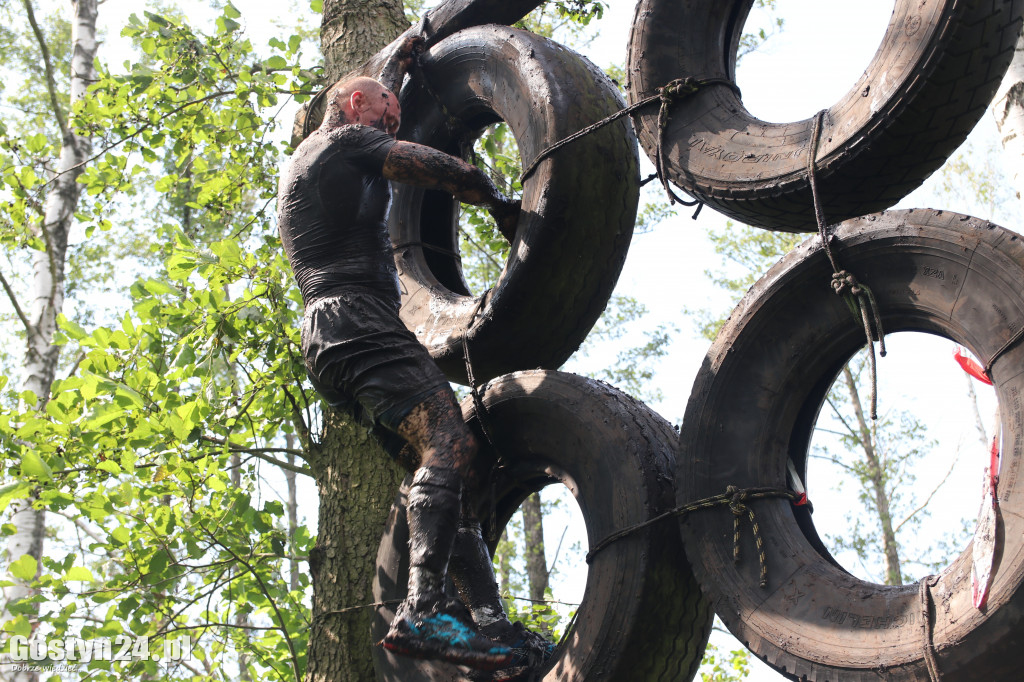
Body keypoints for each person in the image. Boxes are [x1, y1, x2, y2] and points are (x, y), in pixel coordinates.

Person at [277, 39, 553, 679]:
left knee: (444, 468)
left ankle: (487, 625)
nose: (392, 128)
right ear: (352, 106)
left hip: (330, 341)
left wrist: (397, 66)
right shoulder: (346, 144)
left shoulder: (317, 150)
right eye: (386, 117)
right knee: (451, 442)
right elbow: (435, 168)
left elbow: (373, 91)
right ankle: (423, 608)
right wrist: (498, 200)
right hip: (356, 321)